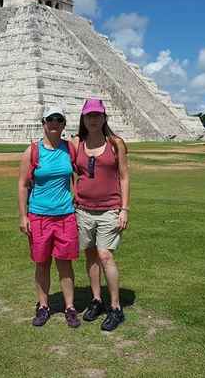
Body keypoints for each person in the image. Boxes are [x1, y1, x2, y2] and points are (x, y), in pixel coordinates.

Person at [17, 105, 81, 328]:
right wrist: (23, 216)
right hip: (39, 216)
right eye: (50, 120)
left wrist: (76, 194)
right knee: (42, 263)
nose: (55, 123)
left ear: (64, 124)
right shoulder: (32, 151)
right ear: (43, 123)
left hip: (65, 215)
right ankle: (43, 306)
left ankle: (70, 307)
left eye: (59, 120)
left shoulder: (70, 149)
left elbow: (79, 174)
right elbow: (23, 185)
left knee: (65, 264)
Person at [72, 99, 130, 331]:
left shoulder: (116, 143)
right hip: (83, 209)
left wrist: (124, 209)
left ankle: (116, 307)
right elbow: (69, 171)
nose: (93, 119)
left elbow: (124, 176)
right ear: (83, 119)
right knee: (90, 256)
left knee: (105, 255)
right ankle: (96, 300)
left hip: (109, 209)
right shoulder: (77, 143)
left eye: (97, 115)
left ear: (104, 117)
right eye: (89, 116)